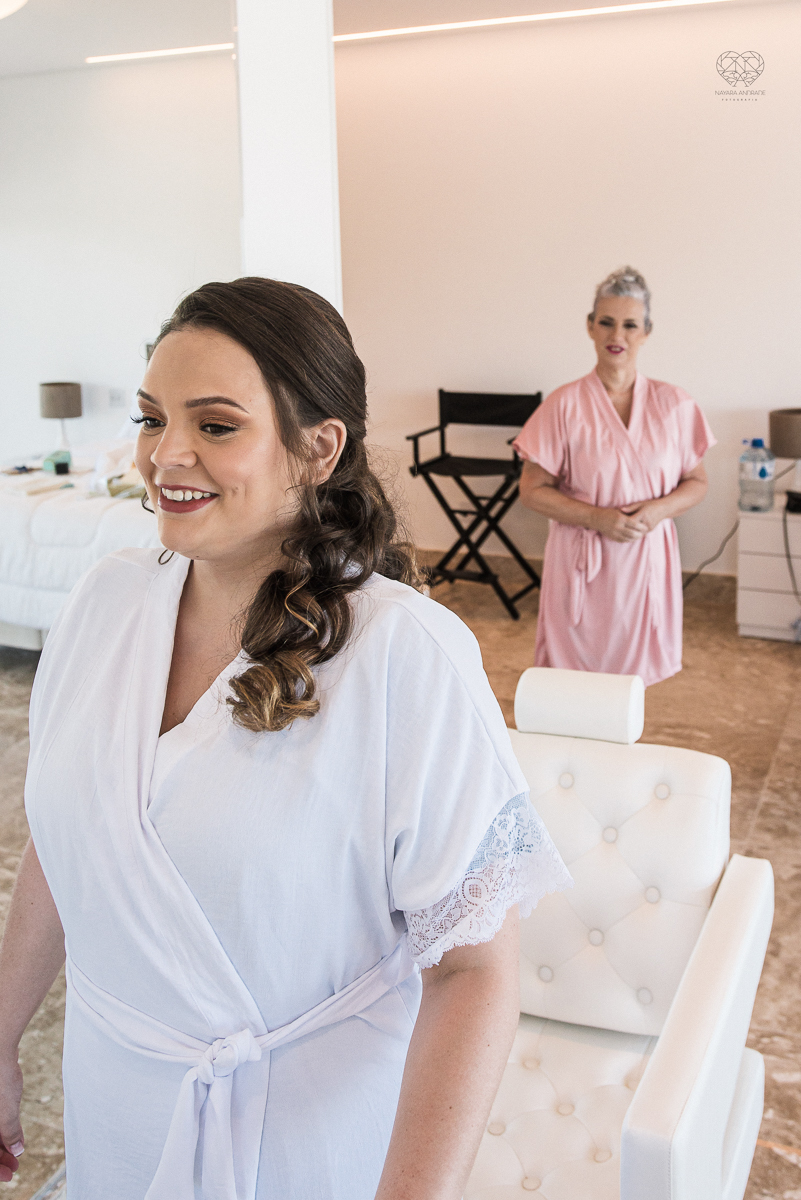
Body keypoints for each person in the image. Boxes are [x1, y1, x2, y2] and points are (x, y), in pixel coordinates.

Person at [0, 278, 571, 1200]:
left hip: (300, 1146)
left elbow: (471, 971)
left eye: (216, 426)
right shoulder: (106, 601)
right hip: (116, 1111)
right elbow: (72, 841)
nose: (164, 456)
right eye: (152, 419)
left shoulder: (403, 657)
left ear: (317, 448)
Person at [515, 267, 715, 686]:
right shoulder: (564, 404)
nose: (616, 335)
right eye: (606, 322)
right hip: (582, 561)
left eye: (629, 324)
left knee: (631, 684)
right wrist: (597, 518)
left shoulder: (675, 404)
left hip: (646, 559)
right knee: (573, 680)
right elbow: (532, 490)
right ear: (590, 326)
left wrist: (659, 510)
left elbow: (696, 481)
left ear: (646, 331)